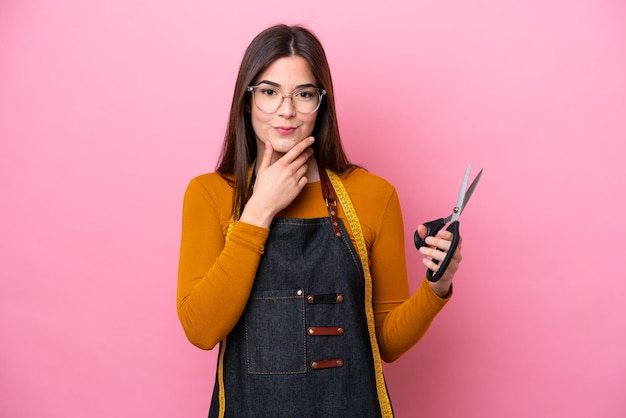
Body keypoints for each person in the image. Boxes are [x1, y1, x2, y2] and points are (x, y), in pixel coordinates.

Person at [177, 24, 462, 418]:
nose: (287, 110)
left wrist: (437, 285)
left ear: (321, 103)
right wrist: (259, 210)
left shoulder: (373, 195)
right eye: (269, 92)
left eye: (304, 94)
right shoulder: (209, 194)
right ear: (247, 101)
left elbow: (386, 343)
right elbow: (201, 330)